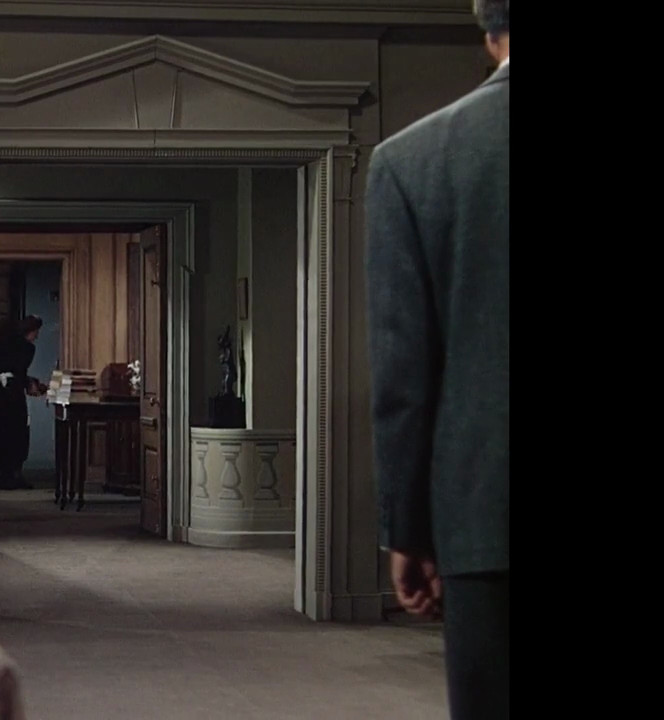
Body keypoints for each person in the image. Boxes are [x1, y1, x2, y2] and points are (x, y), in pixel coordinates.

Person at [363, 2, 508, 718]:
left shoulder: (413, 162)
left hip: (489, 521)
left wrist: (409, 532)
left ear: (491, 34)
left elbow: (404, 380)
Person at [0, 315, 45, 490]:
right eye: (36, 332)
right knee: (17, 434)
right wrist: (32, 384)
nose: (37, 336)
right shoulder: (26, 348)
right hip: (12, 394)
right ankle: (12, 475)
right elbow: (18, 372)